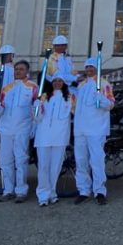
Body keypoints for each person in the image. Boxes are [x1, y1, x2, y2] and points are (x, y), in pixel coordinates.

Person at [73, 57, 115, 205]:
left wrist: (101, 99)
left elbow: (110, 104)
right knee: (81, 161)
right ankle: (84, 190)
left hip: (97, 128)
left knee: (96, 161)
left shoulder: (104, 84)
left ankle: (100, 191)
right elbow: (74, 107)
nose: (89, 70)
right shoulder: (80, 86)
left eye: (92, 67)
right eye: (87, 67)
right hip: (80, 129)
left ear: (96, 69)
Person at [0, 60, 37, 203]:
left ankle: (21, 191)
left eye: (21, 69)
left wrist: (34, 127)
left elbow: (36, 110)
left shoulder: (33, 87)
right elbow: (1, 107)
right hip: (6, 128)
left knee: (21, 160)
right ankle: (8, 190)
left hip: (22, 128)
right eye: (16, 69)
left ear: (27, 71)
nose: (18, 71)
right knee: (5, 161)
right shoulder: (6, 88)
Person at [34, 73, 74, 207]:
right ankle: (42, 195)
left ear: (64, 83)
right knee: (43, 166)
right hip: (44, 135)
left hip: (60, 136)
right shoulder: (44, 97)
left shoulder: (70, 98)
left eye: (60, 80)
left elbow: (77, 112)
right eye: (55, 81)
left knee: (55, 167)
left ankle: (52, 193)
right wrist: (36, 107)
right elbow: (37, 118)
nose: (57, 83)